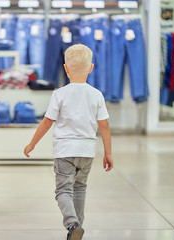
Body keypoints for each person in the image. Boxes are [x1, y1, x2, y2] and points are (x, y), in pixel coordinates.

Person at [24, 44, 113, 240]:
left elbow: (47, 122)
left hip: (65, 150)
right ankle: (77, 227)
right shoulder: (96, 94)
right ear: (91, 68)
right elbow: (104, 126)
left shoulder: (59, 94)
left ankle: (72, 224)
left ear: (65, 68)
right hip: (87, 151)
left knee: (63, 190)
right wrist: (108, 153)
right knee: (80, 188)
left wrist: (32, 144)